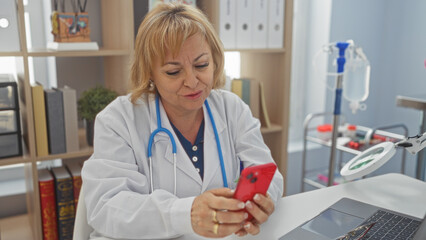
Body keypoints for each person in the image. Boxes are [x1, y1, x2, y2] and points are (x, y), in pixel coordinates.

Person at [81, 2, 283, 239]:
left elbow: (267, 173)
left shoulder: (232, 108)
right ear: (149, 73)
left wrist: (262, 201)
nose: (192, 81)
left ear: (215, 60)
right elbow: (105, 207)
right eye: (173, 72)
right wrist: (184, 214)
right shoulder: (118, 120)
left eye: (201, 65)